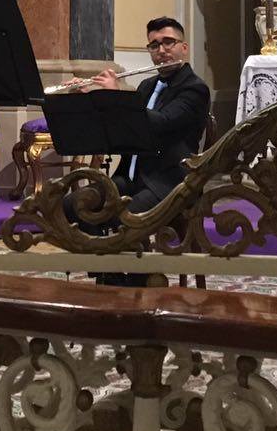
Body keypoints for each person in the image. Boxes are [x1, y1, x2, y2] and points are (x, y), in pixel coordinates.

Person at [59, 18, 212, 285]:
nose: (161, 50)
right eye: (154, 45)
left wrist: (117, 96)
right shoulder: (146, 86)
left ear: (184, 47)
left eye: (168, 42)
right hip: (132, 177)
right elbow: (121, 128)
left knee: (123, 217)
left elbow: (162, 124)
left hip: (170, 180)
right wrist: (89, 98)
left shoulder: (194, 89)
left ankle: (136, 279)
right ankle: (113, 275)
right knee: (74, 205)